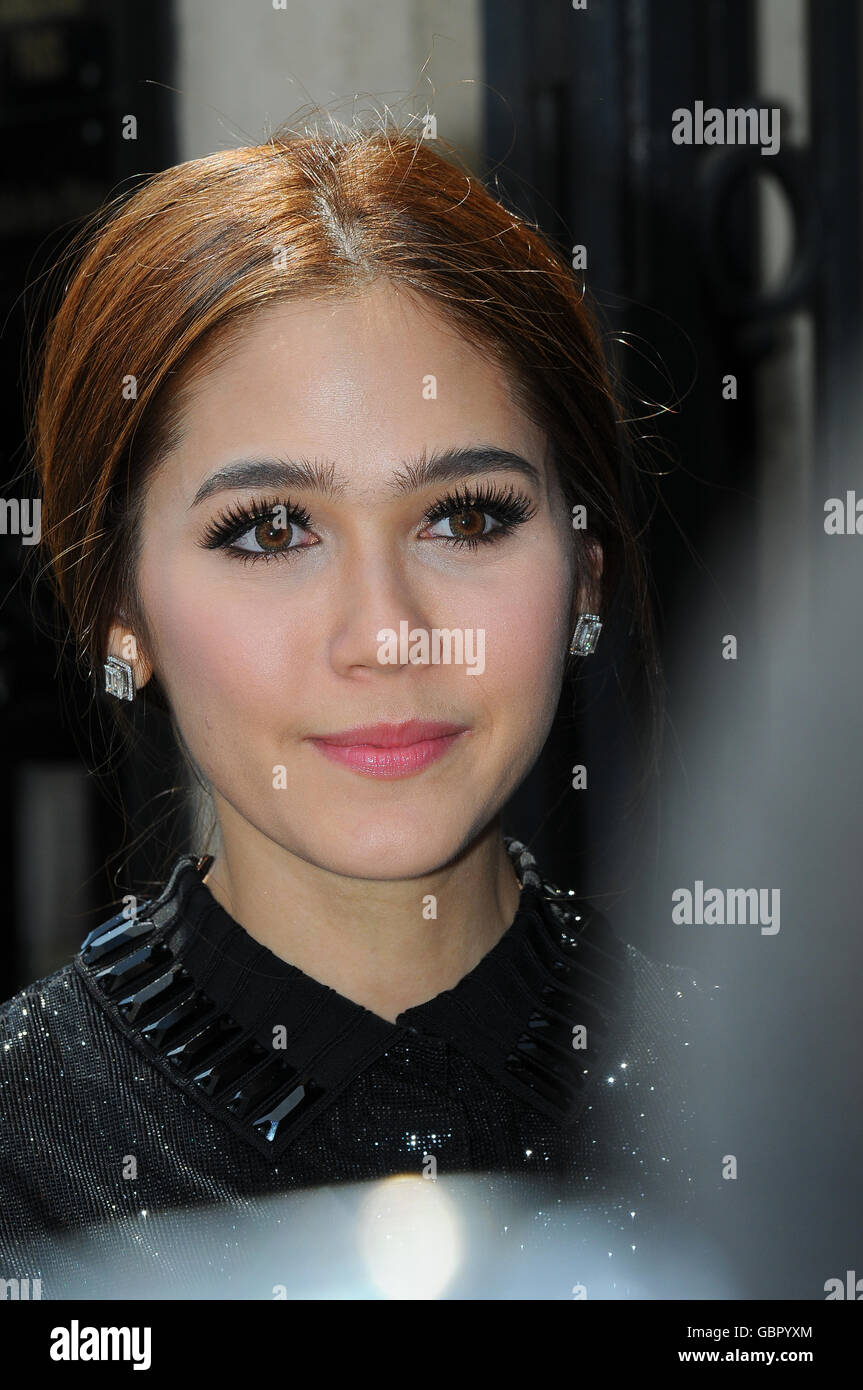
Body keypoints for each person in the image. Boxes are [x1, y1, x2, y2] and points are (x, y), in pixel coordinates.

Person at [0, 119, 726, 1298]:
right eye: (271, 530)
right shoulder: (26, 1172)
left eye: (465, 516)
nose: (386, 633)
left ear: (584, 571)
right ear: (118, 609)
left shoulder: (778, 1112)